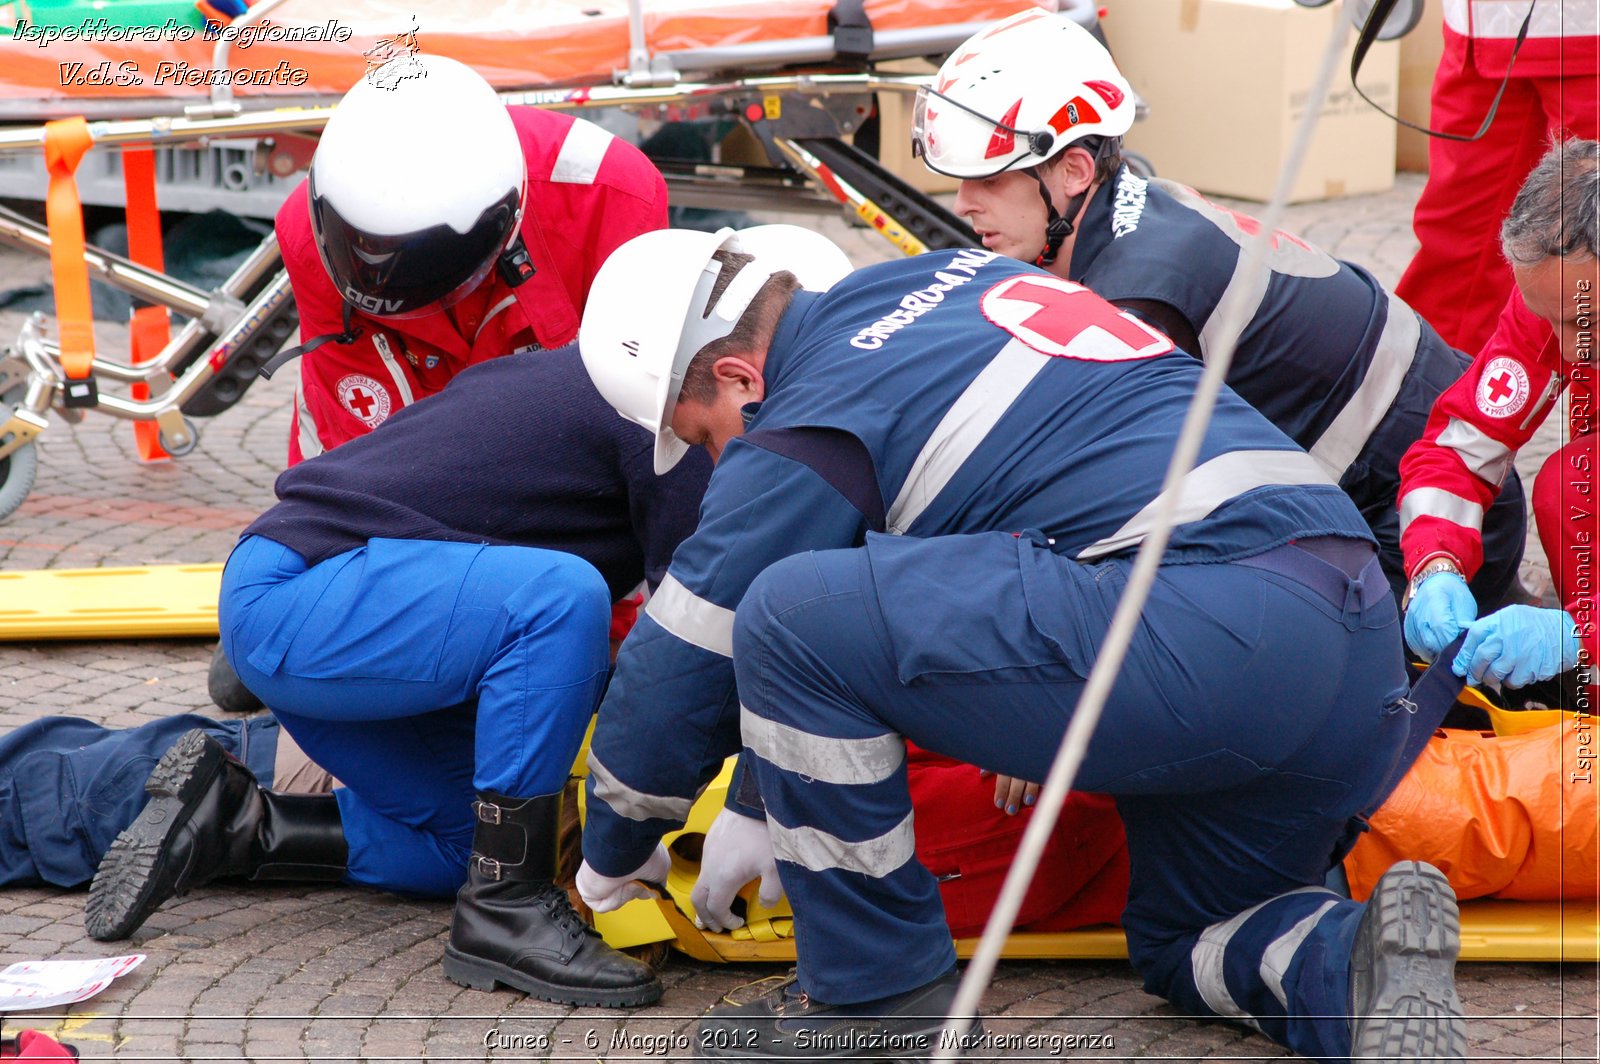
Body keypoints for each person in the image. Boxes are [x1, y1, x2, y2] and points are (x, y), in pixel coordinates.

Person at [573, 224, 1465, 1060]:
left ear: (738, 377)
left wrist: (612, 849)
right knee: (1191, 938)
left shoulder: (807, 414)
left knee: (785, 610)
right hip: (1345, 626)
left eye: (705, 438)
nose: (721, 462)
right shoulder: (953, 276)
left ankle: (872, 1001)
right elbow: (916, 571)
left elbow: (691, 654)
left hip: (1204, 633)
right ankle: (1356, 965)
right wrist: (764, 798)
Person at [84, 343, 713, 1010]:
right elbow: (684, 662)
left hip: (313, 616)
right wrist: (644, 822)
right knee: (558, 601)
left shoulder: (600, 371)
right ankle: (508, 913)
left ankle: (237, 824)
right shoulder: (669, 421)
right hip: (299, 597)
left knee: (483, 843)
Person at [912, 8, 1527, 611]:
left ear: (1073, 170)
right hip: (1435, 473)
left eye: (990, 179)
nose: (964, 202)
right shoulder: (1132, 206)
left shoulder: (1138, 297)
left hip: (1432, 520)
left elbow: (1087, 497)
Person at [275, 53, 667, 464]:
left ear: (503, 225)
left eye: (418, 262)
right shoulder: (307, 231)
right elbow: (355, 454)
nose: (385, 277)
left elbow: (638, 431)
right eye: (369, 253)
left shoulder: (613, 200)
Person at [1399, 139, 1599, 693]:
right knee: (1574, 487)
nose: (1570, 349)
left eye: (1590, 322)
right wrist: (1435, 565)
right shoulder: (1563, 297)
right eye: (1550, 320)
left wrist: (1583, 634)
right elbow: (1463, 446)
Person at [1394, 0, 1599, 354]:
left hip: (1585, 30)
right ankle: (1426, 398)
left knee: (1588, 255)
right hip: (1480, 31)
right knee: (1455, 241)